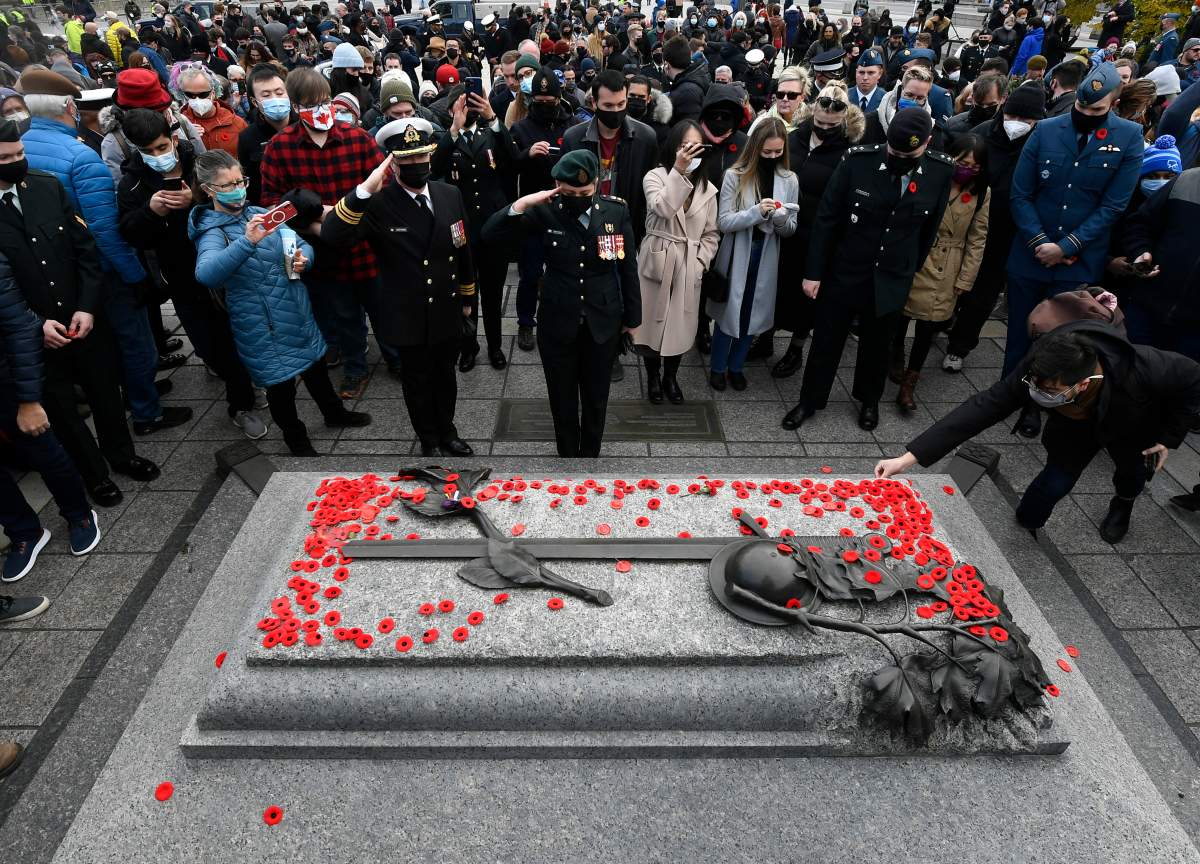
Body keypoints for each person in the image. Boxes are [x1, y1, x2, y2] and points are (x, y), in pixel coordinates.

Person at [875, 324, 1200, 543]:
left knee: (1131, 473)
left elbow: (1192, 379)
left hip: (1131, 425)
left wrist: (1169, 437)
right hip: (1073, 427)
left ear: (1082, 384)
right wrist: (908, 458)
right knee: (1055, 480)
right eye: (1036, 386)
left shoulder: (1145, 367)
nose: (1039, 393)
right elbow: (985, 406)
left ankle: (1123, 504)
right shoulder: (1042, 365)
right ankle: (1029, 519)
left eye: (1052, 390)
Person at [0, 120, 162, 508]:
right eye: (6, 158)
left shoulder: (45, 186)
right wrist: (35, 325)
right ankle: (95, 475)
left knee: (105, 391)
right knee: (62, 410)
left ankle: (122, 455)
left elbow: (85, 251)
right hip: (33, 333)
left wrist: (87, 307)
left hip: (83, 318)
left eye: (19, 154)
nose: (17, 162)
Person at [783, 107, 955, 432]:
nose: (899, 158)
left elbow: (929, 228)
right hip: (846, 269)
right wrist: (814, 272)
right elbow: (827, 218)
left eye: (909, 154)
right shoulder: (858, 161)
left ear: (928, 143)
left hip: (892, 275)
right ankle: (810, 400)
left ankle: (869, 400)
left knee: (878, 345)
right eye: (894, 151)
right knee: (827, 342)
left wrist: (910, 271)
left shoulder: (939, 171)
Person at [190, 149, 370, 455]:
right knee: (281, 386)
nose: (238, 188)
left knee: (316, 369)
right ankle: (295, 438)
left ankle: (334, 413)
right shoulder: (211, 231)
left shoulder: (260, 212)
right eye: (228, 185)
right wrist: (247, 242)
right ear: (208, 190)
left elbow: (299, 242)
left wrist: (304, 260)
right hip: (262, 324)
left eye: (240, 180)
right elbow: (206, 274)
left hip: (296, 310)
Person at [321, 118, 475, 458]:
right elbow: (333, 236)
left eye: (422, 157)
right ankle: (429, 439)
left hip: (446, 308)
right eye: (406, 159)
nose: (417, 164)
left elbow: (462, 248)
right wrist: (364, 190)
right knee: (417, 382)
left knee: (446, 378)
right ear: (393, 162)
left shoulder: (449, 194)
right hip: (408, 311)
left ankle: (448, 431)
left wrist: (467, 300)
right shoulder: (379, 203)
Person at [1004, 63, 1142, 438]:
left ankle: (1042, 402)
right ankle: (1012, 395)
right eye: (1081, 107)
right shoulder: (1048, 129)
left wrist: (1066, 246)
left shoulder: (1129, 137)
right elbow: (1021, 192)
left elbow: (1114, 204)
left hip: (1078, 260)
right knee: (1020, 330)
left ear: (1113, 104)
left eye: (1096, 111)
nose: (1084, 115)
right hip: (1030, 255)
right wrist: (1039, 243)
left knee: (1063, 338)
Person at [117, 109, 268, 441]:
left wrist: (196, 198)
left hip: (226, 265)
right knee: (209, 346)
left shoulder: (199, 161)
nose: (157, 156)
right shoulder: (133, 183)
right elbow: (130, 234)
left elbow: (241, 196)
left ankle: (241, 400)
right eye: (147, 151)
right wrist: (150, 212)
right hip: (182, 276)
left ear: (172, 138)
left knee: (237, 338)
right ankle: (235, 385)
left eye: (160, 147)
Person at [481, 150, 640, 458]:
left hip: (602, 318)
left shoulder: (616, 212)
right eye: (569, 193)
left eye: (584, 192)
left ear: (596, 183)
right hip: (558, 318)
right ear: (556, 185)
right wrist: (522, 203)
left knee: (596, 396)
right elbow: (490, 234)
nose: (577, 198)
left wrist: (632, 318)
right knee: (561, 395)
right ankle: (567, 454)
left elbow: (627, 268)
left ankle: (590, 454)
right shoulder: (545, 212)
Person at [260, 67, 383, 398]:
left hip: (366, 246)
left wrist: (355, 218)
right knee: (343, 316)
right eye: (312, 104)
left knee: (383, 307)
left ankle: (397, 357)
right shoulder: (279, 147)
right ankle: (355, 367)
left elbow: (383, 190)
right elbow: (271, 205)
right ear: (296, 107)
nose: (322, 109)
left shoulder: (358, 139)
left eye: (326, 101)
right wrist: (314, 219)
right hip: (322, 251)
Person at [0, 246, 98, 583]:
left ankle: (79, 515)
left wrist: (28, 399)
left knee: (43, 449)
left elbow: (17, 327)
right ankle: (24, 533)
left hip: (7, 382)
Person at [760, 80, 865, 379]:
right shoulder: (795, 139)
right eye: (819, 121)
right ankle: (765, 338)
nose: (824, 127)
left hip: (817, 236)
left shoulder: (849, 153)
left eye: (831, 125)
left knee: (807, 299)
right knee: (774, 287)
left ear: (843, 121)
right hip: (784, 228)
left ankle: (795, 348)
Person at [561, 69, 657, 382]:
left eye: (620, 105)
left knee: (619, 285)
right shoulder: (576, 137)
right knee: (590, 288)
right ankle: (592, 343)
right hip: (586, 226)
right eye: (608, 106)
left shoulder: (644, 137)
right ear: (594, 102)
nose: (615, 112)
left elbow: (647, 187)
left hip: (623, 227)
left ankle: (614, 346)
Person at [943, 82, 1045, 373]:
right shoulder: (982, 134)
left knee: (984, 292)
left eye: (1026, 121)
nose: (1016, 125)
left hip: (1006, 231)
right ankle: (944, 320)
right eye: (1012, 116)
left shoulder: (1038, 143)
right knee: (956, 279)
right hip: (969, 223)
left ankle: (960, 345)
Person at [890, 133, 990, 411]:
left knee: (927, 327)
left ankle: (911, 381)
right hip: (918, 256)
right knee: (901, 316)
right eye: (962, 162)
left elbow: (977, 238)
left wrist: (966, 278)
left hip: (949, 264)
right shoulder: (931, 179)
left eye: (974, 166)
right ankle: (895, 353)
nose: (966, 168)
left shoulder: (981, 194)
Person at [707, 117, 799, 392]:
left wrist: (781, 219)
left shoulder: (789, 179)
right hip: (737, 252)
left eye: (778, 151)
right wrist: (755, 212)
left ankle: (736, 366)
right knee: (729, 312)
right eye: (767, 151)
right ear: (755, 147)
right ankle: (718, 367)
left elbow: (790, 229)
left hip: (767, 253)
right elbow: (724, 222)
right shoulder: (734, 176)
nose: (772, 156)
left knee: (752, 313)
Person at [632, 119, 719, 404]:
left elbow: (711, 233)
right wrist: (679, 170)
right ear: (673, 147)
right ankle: (653, 377)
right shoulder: (655, 177)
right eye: (684, 146)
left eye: (695, 146)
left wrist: (700, 262)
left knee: (679, 327)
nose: (689, 152)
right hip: (657, 259)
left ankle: (671, 377)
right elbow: (663, 208)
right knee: (651, 326)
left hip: (687, 263)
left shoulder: (708, 189)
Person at [431, 84, 516, 373]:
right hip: (461, 227)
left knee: (493, 291)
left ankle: (495, 345)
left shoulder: (490, 133)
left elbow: (513, 158)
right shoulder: (447, 138)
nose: (469, 109)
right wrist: (453, 130)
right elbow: (434, 167)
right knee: (466, 291)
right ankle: (469, 346)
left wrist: (494, 118)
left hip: (493, 227)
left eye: (473, 103)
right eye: (463, 104)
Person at [509, 67, 577, 352]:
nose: (545, 105)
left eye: (550, 101)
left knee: (568, 270)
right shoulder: (521, 128)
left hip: (566, 209)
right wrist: (526, 154)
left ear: (559, 98)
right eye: (539, 100)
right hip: (534, 211)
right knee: (531, 272)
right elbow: (508, 165)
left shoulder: (572, 126)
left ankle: (566, 318)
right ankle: (526, 321)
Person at [237, 63, 295, 206]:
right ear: (254, 102)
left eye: (279, 93)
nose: (275, 98)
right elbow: (251, 184)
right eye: (266, 95)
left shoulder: (305, 126)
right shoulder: (247, 137)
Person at [173, 61, 246, 156]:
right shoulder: (178, 126)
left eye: (203, 94)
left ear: (213, 92)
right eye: (190, 95)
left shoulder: (237, 123)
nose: (197, 99)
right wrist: (186, 139)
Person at [849, 47, 885, 112]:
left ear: (880, 74)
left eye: (871, 73)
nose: (865, 78)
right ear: (856, 72)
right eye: (861, 72)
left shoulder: (886, 99)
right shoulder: (844, 96)